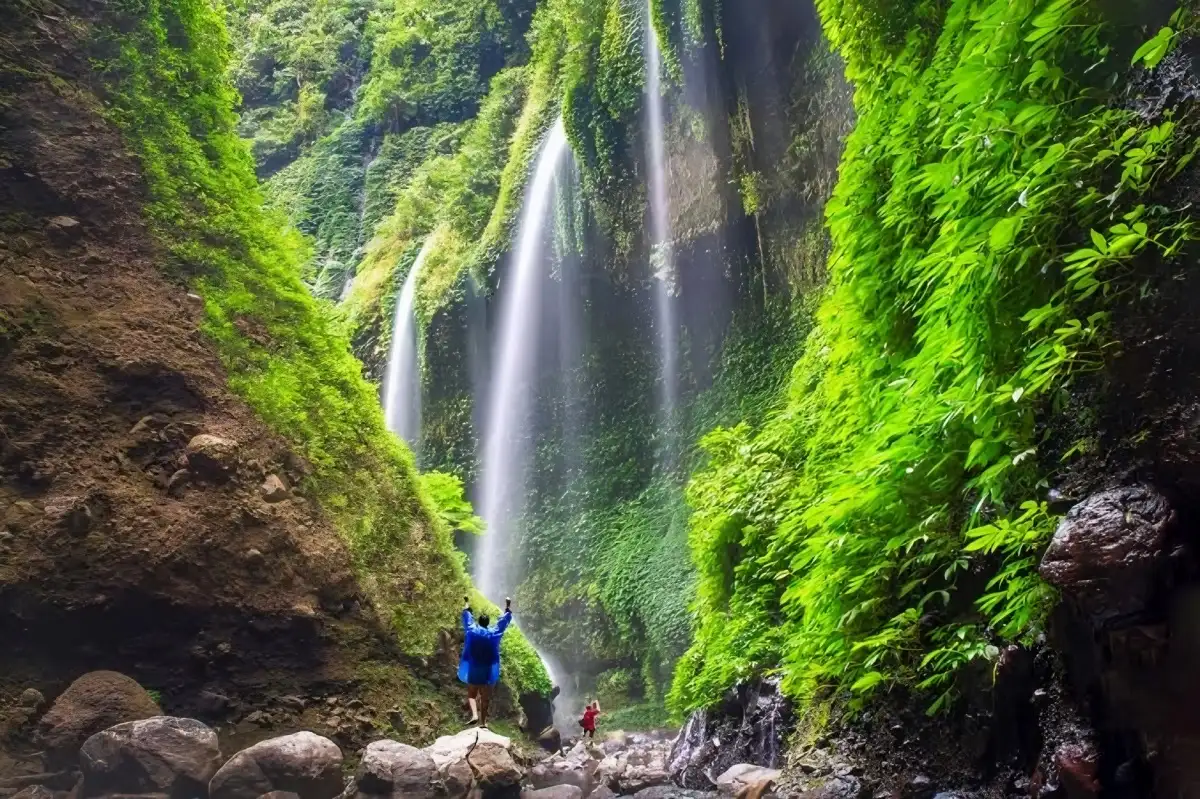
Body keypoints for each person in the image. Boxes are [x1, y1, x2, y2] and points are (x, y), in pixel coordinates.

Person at [458, 595, 512, 728]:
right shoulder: (493, 634)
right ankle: (483, 722)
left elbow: (467, 616)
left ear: (479, 622)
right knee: (484, 696)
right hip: (487, 668)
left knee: (471, 694)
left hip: (474, 666)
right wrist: (508, 607)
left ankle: (474, 715)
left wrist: (467, 603)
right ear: (488, 623)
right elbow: (503, 623)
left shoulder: (472, 630)